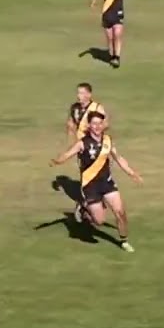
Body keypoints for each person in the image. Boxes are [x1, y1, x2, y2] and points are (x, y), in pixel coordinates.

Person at [49, 111, 142, 252]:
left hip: (107, 183)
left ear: (103, 125)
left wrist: (131, 173)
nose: (97, 126)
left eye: (100, 123)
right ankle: (83, 208)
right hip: (90, 186)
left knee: (120, 212)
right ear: (89, 125)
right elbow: (68, 154)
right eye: (94, 123)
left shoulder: (108, 141)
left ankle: (124, 241)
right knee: (99, 221)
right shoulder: (82, 143)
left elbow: (119, 158)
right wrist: (57, 161)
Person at [65, 82, 108, 221]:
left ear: (89, 94)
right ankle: (87, 203)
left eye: (82, 93)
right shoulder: (75, 108)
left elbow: (105, 123)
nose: (79, 96)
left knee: (100, 172)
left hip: (97, 146)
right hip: (83, 148)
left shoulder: (97, 108)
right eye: (78, 93)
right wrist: (71, 140)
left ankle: (89, 203)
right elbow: (71, 123)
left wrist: (95, 131)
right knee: (86, 175)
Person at [90, 0, 133, 68]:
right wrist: (93, 2)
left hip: (118, 13)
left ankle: (116, 57)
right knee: (110, 37)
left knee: (117, 34)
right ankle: (112, 55)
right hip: (107, 15)